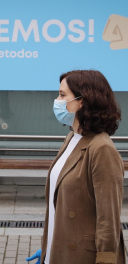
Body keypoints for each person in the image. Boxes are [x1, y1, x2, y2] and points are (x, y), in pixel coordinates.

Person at [26, 70, 125, 264]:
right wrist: (49, 249)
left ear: (83, 101)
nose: (57, 100)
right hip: (59, 252)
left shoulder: (102, 148)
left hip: (83, 256)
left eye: (63, 95)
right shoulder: (73, 138)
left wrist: (106, 259)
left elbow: (108, 218)